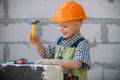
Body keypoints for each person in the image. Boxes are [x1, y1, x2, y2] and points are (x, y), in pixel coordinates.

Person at [29, 0, 90, 80]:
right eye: (59, 25)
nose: (60, 29)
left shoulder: (82, 44)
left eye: (64, 26)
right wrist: (36, 41)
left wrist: (52, 61)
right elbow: (45, 53)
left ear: (77, 25)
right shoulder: (59, 41)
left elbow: (77, 64)